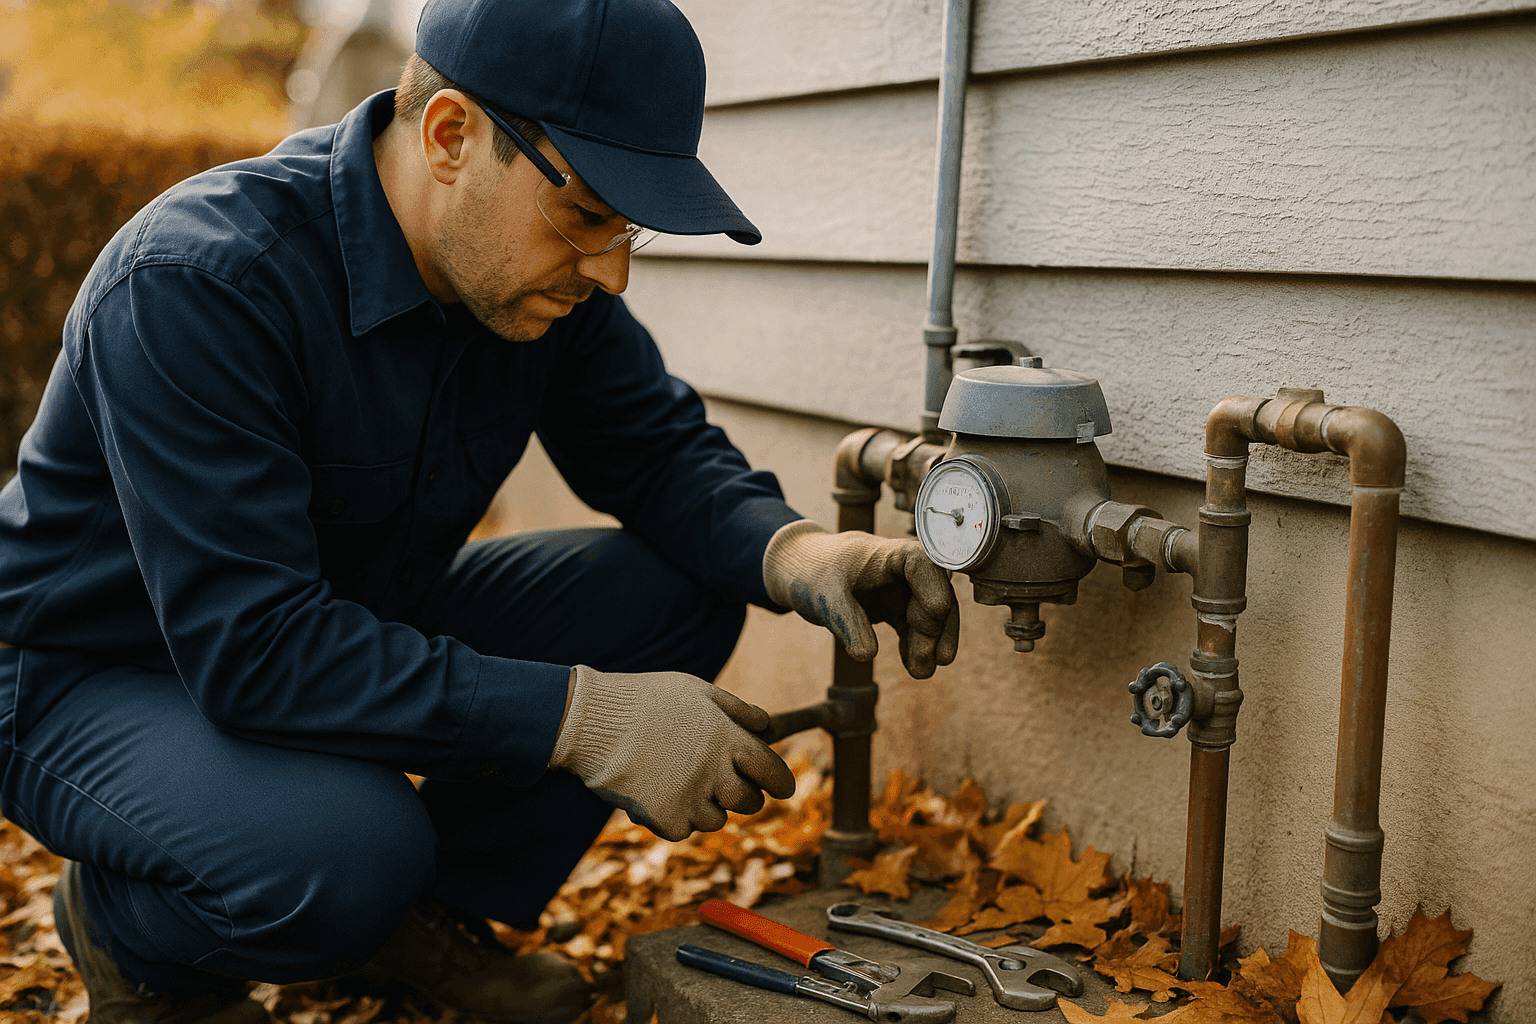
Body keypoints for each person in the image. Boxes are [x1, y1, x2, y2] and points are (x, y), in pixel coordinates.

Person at [0, 0, 960, 1021]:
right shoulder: (202, 283)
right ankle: (144, 939)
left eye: (627, 225)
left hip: (328, 619)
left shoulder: (520, 272)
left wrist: (805, 554)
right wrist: (587, 719)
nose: (613, 268)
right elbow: (258, 649)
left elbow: (655, 451)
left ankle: (413, 926)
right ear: (450, 134)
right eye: (589, 214)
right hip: (91, 676)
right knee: (345, 847)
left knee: (672, 591)